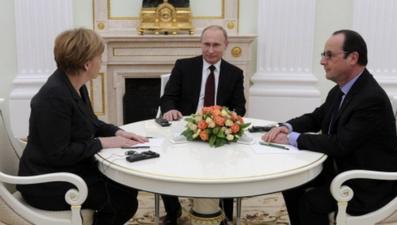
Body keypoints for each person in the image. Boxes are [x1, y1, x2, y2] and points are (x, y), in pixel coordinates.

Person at [262, 29, 397, 225]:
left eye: (329, 55)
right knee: (292, 184)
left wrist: (293, 139)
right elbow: (316, 117)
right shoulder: (342, 89)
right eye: (323, 54)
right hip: (342, 169)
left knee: (311, 203)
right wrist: (287, 127)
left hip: (367, 184)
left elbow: (340, 143)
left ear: (353, 58)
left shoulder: (371, 98)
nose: (322, 61)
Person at [17, 28, 148, 225]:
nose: (101, 62)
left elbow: (92, 122)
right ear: (87, 64)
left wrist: (118, 132)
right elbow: (58, 153)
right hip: (45, 182)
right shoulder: (53, 98)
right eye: (99, 57)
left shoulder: (75, 85)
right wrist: (104, 142)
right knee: (121, 200)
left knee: (125, 187)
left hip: (67, 169)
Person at [160, 25, 246, 225]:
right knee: (164, 163)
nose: (210, 50)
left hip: (219, 129)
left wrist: (227, 118)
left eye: (216, 45)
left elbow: (240, 107)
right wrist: (170, 109)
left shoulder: (235, 73)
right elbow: (168, 98)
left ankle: (225, 213)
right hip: (185, 128)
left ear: (226, 45)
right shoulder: (183, 66)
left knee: (227, 166)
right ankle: (173, 213)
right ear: (200, 44)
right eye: (206, 44)